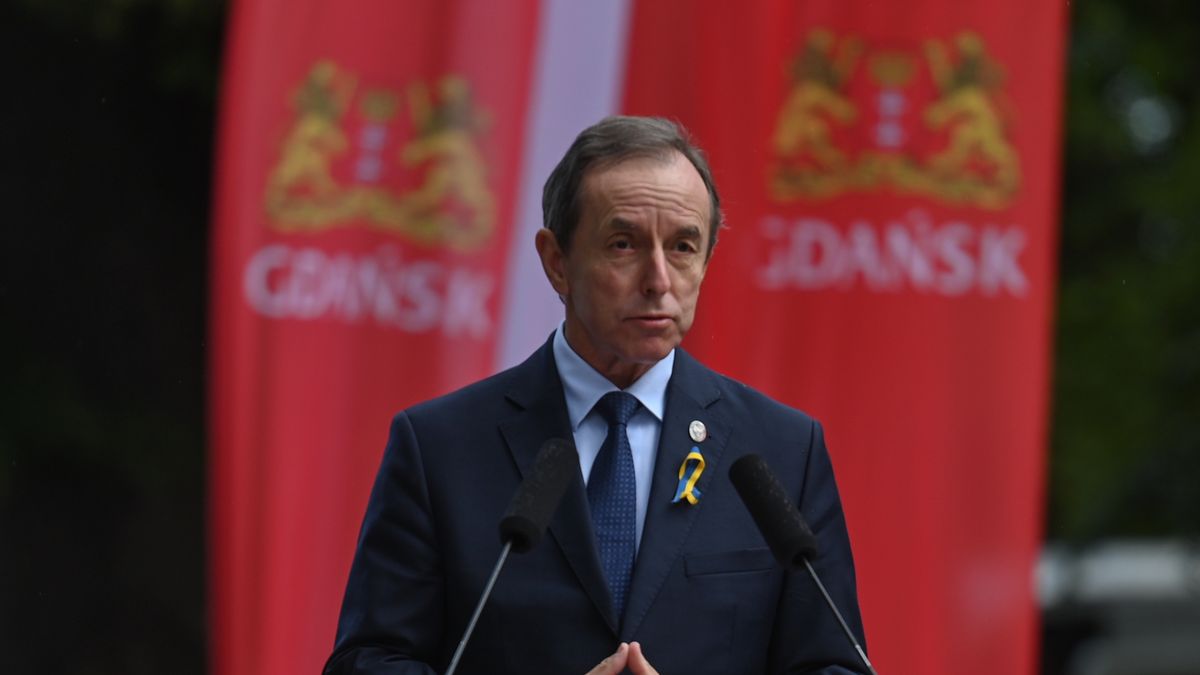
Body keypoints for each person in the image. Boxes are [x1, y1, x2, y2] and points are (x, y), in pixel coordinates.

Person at [324, 116, 868, 674]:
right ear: (557, 262)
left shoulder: (781, 450)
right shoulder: (440, 447)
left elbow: (834, 666)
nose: (658, 279)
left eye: (683, 246)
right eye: (623, 244)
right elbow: (369, 662)